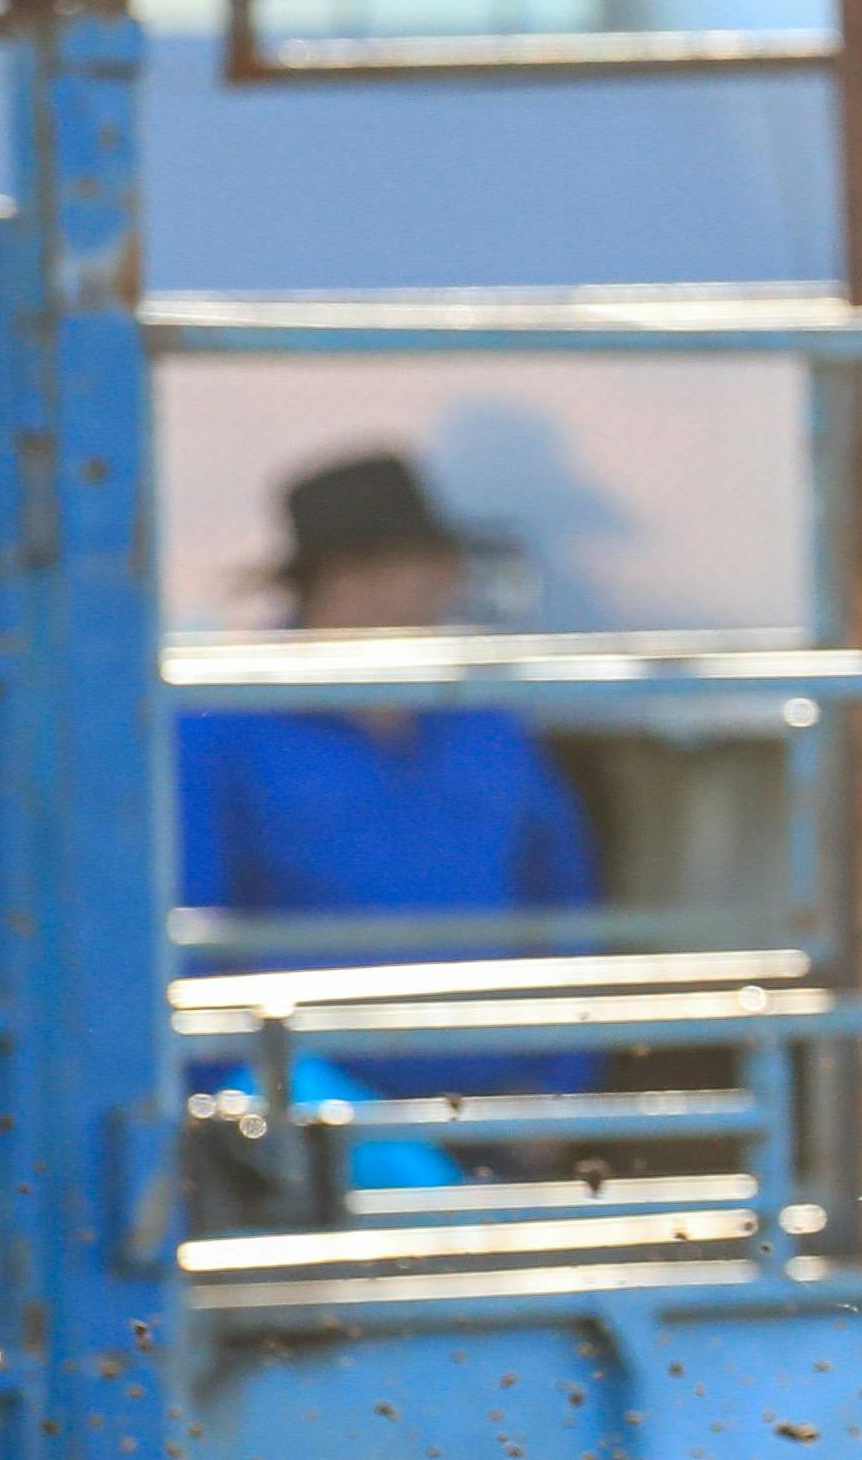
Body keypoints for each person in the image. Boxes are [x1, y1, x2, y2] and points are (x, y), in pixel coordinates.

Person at [176, 449, 601, 1110]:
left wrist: (557, 1084)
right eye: (421, 564)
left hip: (492, 1108)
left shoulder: (487, 719)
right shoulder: (224, 726)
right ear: (345, 577)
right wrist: (231, 1096)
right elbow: (192, 926)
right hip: (306, 1116)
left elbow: (562, 897)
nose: (443, 584)